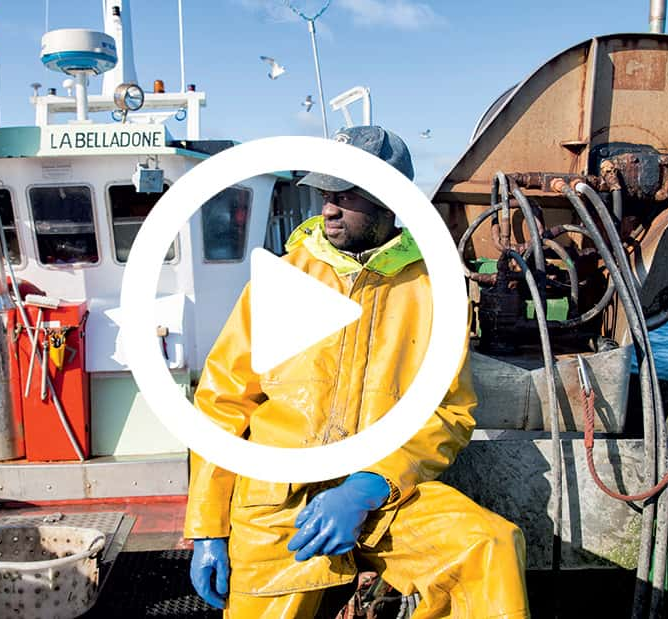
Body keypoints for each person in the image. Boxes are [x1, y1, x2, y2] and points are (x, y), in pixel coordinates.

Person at [185, 126, 529, 618]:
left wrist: (366, 488)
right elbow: (220, 406)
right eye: (326, 194)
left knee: (489, 546)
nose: (328, 208)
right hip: (279, 508)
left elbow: (448, 413)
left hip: (387, 498)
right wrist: (207, 529)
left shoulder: (437, 290)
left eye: (346, 196)